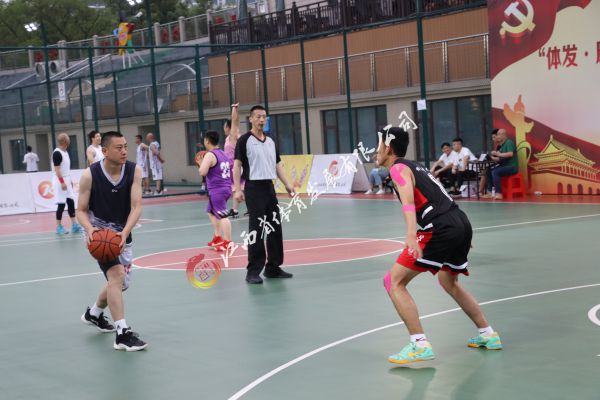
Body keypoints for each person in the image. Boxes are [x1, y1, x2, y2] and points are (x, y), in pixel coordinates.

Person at [377, 127, 502, 364]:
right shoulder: (416, 166)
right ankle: (488, 334)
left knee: (393, 281)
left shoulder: (398, 168)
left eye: (379, 145)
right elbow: (441, 195)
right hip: (458, 221)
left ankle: (419, 345)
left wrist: (411, 234)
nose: (376, 151)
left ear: (389, 148)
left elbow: (408, 201)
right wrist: (460, 232)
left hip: (440, 226)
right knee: (449, 282)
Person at [77, 131, 148, 351]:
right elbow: (80, 210)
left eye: (125, 146)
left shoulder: (134, 171)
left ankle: (94, 313)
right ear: (105, 151)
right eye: (119, 148)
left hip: (122, 232)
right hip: (99, 234)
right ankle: (122, 334)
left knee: (120, 283)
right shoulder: (90, 175)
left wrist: (124, 233)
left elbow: (136, 206)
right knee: (116, 276)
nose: (124, 151)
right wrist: (90, 229)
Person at [233, 105, 295, 284]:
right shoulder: (244, 140)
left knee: (275, 227)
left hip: (269, 188)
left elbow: (277, 165)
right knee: (257, 229)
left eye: (264, 117)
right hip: (253, 188)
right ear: (251, 119)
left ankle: (273, 267)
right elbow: (237, 165)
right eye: (258, 116)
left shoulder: (271, 141)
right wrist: (237, 189)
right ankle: (253, 271)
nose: (262, 120)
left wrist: (288, 184)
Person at [198, 130, 233, 251]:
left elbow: (203, 172)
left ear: (207, 141)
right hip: (225, 187)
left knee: (223, 215)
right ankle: (217, 237)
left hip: (217, 189)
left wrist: (201, 163)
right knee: (211, 212)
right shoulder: (223, 153)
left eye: (204, 140)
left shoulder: (210, 155)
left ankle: (227, 241)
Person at [52, 133, 82, 235]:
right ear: (65, 141)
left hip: (67, 179)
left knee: (71, 202)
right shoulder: (57, 153)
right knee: (61, 204)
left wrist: (70, 181)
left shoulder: (65, 152)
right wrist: (62, 182)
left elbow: (65, 169)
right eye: (68, 139)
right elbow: (57, 170)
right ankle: (59, 227)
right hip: (59, 180)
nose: (69, 140)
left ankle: (74, 225)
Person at [483, 129, 518, 200]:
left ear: (504, 135)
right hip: (504, 166)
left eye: (499, 135)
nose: (497, 136)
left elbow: (510, 154)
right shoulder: (502, 146)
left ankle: (498, 193)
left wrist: (498, 154)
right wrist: (491, 157)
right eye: (497, 135)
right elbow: (500, 159)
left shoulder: (509, 142)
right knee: (489, 170)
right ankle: (490, 193)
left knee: (495, 172)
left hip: (511, 167)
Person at [223, 103, 244, 218]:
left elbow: (235, 121)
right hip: (230, 167)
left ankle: (235, 210)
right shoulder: (228, 138)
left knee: (237, 188)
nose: (223, 128)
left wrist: (234, 109)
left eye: (225, 126)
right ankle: (237, 209)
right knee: (238, 189)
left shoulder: (233, 136)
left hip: (236, 166)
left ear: (228, 127)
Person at [479, 129, 501, 196]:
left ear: (499, 136)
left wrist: (492, 157)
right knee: (485, 169)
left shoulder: (503, 145)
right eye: (492, 137)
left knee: (488, 170)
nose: (493, 139)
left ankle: (486, 191)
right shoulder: (498, 146)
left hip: (502, 165)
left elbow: (500, 158)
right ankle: (483, 191)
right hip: (497, 163)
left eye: (494, 137)